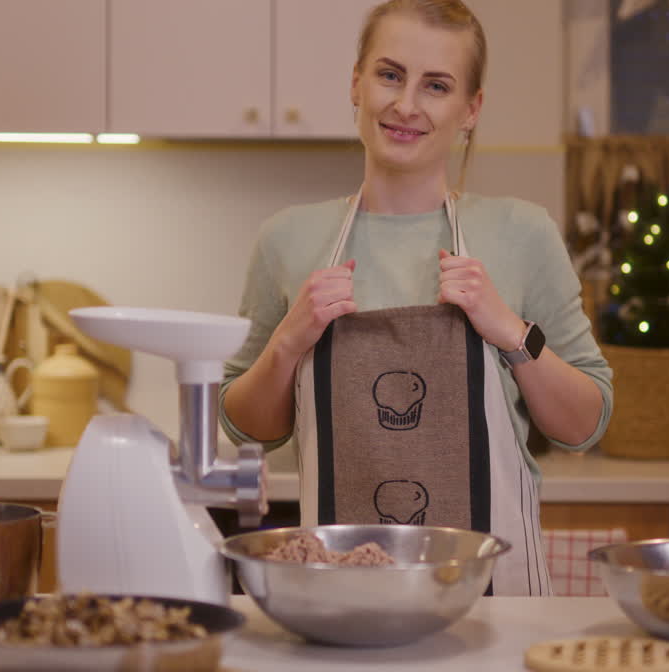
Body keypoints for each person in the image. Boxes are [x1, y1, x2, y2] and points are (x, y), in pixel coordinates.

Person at [220, 0, 612, 596]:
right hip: (336, 599)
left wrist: (510, 331)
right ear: (356, 83)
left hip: (495, 609)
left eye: (437, 86)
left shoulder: (523, 233)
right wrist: (285, 346)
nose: (406, 105)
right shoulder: (289, 240)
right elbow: (249, 431)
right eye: (389, 75)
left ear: (471, 109)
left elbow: (584, 425)